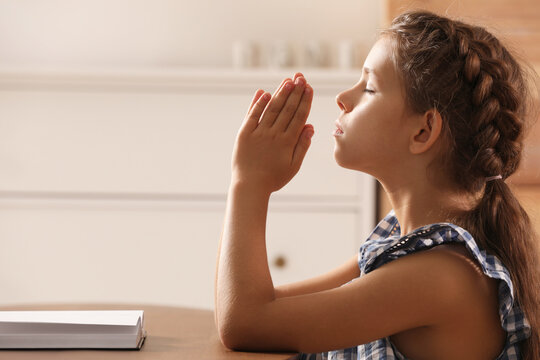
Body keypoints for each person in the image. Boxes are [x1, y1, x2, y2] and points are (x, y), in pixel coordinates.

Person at [214, 10, 539, 360]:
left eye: (369, 87)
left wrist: (249, 183)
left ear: (423, 131)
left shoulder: (440, 277)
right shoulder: (401, 247)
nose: (344, 97)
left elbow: (245, 322)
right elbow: (256, 307)